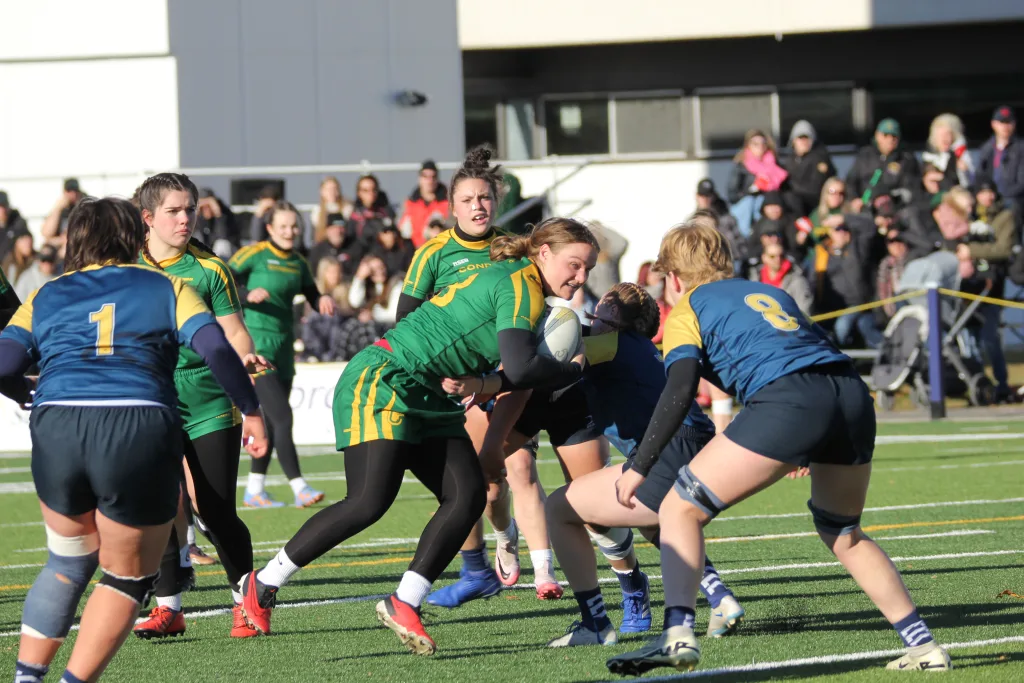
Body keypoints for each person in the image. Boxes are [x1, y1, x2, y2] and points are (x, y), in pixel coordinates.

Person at [238, 217, 601, 656]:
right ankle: (262, 583)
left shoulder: (526, 286)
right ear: (542, 253)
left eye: (588, 269)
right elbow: (522, 370)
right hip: (386, 377)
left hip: (428, 391)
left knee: (467, 496)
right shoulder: (521, 281)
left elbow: (514, 374)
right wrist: (573, 368)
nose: (581, 278)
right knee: (369, 499)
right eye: (575, 265)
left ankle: (403, 601)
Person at [606, 222, 950, 675]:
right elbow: (804, 350)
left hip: (789, 399)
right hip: (848, 394)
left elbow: (680, 388)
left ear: (673, 277)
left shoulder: (688, 306)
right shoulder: (766, 291)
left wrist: (639, 466)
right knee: (843, 531)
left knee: (678, 509)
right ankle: (923, 646)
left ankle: (677, 634)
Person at [0, 197, 268, 683]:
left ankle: (26, 678)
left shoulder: (48, 292)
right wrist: (251, 410)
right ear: (132, 236)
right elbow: (215, 348)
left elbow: (3, 364)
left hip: (59, 424)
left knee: (65, 561)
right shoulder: (168, 284)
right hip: (136, 422)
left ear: (75, 238)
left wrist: (25, 394)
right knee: (126, 575)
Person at [397, 147, 565, 605]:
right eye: (468, 199)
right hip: (460, 384)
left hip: (509, 377)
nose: (478, 206)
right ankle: (487, 555)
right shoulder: (432, 253)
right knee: (477, 481)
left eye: (486, 198)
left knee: (521, 465)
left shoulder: (513, 250)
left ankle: (545, 572)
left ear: (497, 202)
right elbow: (407, 320)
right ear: (451, 206)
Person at [539, 284, 742, 647]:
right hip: (693, 442)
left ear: (615, 315)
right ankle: (719, 596)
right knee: (653, 517)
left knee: (560, 508)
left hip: (671, 446)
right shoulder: (637, 346)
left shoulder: (611, 344)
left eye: (602, 304)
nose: (591, 304)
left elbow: (556, 350)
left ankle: (595, 622)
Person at [131, 172, 272, 640]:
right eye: (173, 210)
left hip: (209, 396)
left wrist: (244, 354)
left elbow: (233, 330)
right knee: (160, 504)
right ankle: (169, 608)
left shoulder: (210, 269)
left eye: (190, 208)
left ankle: (245, 603)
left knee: (213, 509)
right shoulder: (126, 267)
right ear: (147, 217)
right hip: (150, 397)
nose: (185, 217)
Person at [230, 202, 337, 508]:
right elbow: (222, 281)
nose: (290, 232)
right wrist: (245, 295)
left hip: (284, 351)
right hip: (257, 350)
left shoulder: (298, 262)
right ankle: (299, 486)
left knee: (273, 423)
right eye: (283, 226)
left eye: (294, 226)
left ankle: (255, 490)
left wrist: (322, 300)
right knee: (283, 418)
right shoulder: (254, 254)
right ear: (269, 229)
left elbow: (312, 293)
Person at [846, 119, 920, 214]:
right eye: (885, 135)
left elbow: (910, 189)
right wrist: (854, 199)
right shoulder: (865, 155)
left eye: (894, 136)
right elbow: (851, 181)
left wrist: (889, 200)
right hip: (864, 207)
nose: (890, 139)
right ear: (877, 135)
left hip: (894, 210)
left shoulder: (906, 159)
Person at [728, 130, 788, 238]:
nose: (760, 146)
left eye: (763, 142)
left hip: (767, 209)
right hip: (747, 210)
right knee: (751, 201)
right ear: (748, 145)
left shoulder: (775, 164)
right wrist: (751, 190)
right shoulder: (741, 166)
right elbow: (732, 195)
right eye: (755, 143)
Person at [783, 120, 835, 217]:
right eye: (800, 138)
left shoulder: (819, 157)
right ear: (793, 141)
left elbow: (816, 186)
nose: (804, 142)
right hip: (796, 202)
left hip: (813, 202)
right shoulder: (790, 160)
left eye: (807, 138)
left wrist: (792, 189)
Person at [399, 160, 450, 248]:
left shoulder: (448, 202)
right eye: (425, 176)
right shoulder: (410, 203)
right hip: (414, 251)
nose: (429, 180)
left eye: (433, 176)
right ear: (419, 179)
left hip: (441, 248)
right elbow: (401, 228)